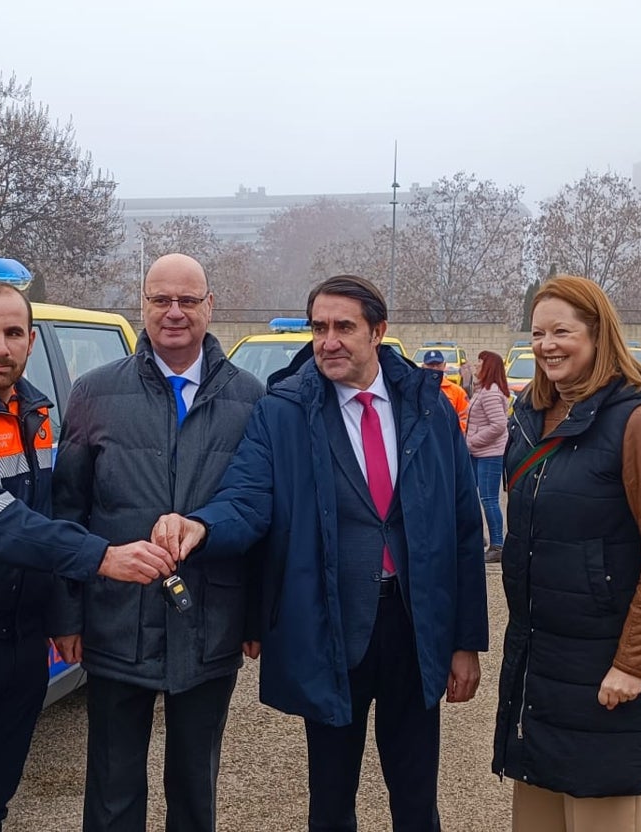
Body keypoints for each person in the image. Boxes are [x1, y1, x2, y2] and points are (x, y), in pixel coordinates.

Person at [154, 274, 488, 832]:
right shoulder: (283, 410)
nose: (328, 341)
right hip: (332, 627)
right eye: (319, 327)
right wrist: (202, 526)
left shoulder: (427, 408)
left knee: (416, 795)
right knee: (330, 799)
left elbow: (460, 531)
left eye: (343, 327)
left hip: (414, 626)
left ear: (378, 332)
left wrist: (465, 643)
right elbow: (246, 498)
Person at [0, 281, 177, 832]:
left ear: (30, 340)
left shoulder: (34, 411)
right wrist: (101, 558)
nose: (1, 346)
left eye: (13, 333)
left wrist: (63, 612)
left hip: (20, 643)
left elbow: (55, 513)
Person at [51, 253, 264, 832]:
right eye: (159, 300)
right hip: (117, 617)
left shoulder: (251, 399)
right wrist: (67, 612)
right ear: (141, 305)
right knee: (113, 786)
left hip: (210, 618)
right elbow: (69, 510)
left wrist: (257, 617)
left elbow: (263, 514)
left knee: (195, 785)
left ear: (209, 307)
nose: (173, 312)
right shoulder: (93, 393)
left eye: (187, 301)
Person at [493, 276, 641, 832]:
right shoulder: (529, 418)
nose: (547, 345)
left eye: (562, 331)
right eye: (537, 333)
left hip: (607, 677)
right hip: (540, 669)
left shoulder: (639, 422)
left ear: (600, 333)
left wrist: (633, 665)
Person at [465, 350, 510, 564]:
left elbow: (499, 425)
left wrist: (472, 441)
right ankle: (478, 537)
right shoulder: (483, 390)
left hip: (489, 455)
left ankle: (498, 545)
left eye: (480, 362)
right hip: (478, 453)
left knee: (489, 499)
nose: (476, 365)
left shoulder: (491, 392)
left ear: (488, 366)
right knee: (470, 496)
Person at [421, 348, 469, 432]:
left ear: (444, 366)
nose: (435, 368)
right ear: (423, 366)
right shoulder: (416, 389)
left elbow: (466, 418)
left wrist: (452, 434)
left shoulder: (457, 392)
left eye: (438, 365)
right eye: (431, 365)